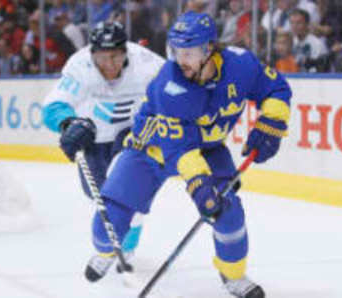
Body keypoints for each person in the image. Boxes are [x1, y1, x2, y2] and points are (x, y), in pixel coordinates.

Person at [85, 11, 292, 298]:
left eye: (190, 52)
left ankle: (233, 276)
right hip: (151, 150)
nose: (181, 60)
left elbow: (276, 88)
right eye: (176, 51)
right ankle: (107, 251)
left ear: (209, 49)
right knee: (108, 224)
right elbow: (179, 149)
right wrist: (199, 187)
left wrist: (271, 123)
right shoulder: (168, 85)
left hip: (207, 149)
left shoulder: (242, 65)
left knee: (228, 212)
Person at [42, 22, 165, 259]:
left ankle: (126, 247)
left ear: (125, 52)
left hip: (130, 134)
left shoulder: (146, 63)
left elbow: (174, 89)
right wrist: (68, 123)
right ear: (92, 54)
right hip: (93, 136)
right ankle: (115, 240)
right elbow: (53, 105)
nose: (109, 65)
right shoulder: (80, 65)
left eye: (116, 57)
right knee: (98, 196)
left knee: (128, 192)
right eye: (102, 58)